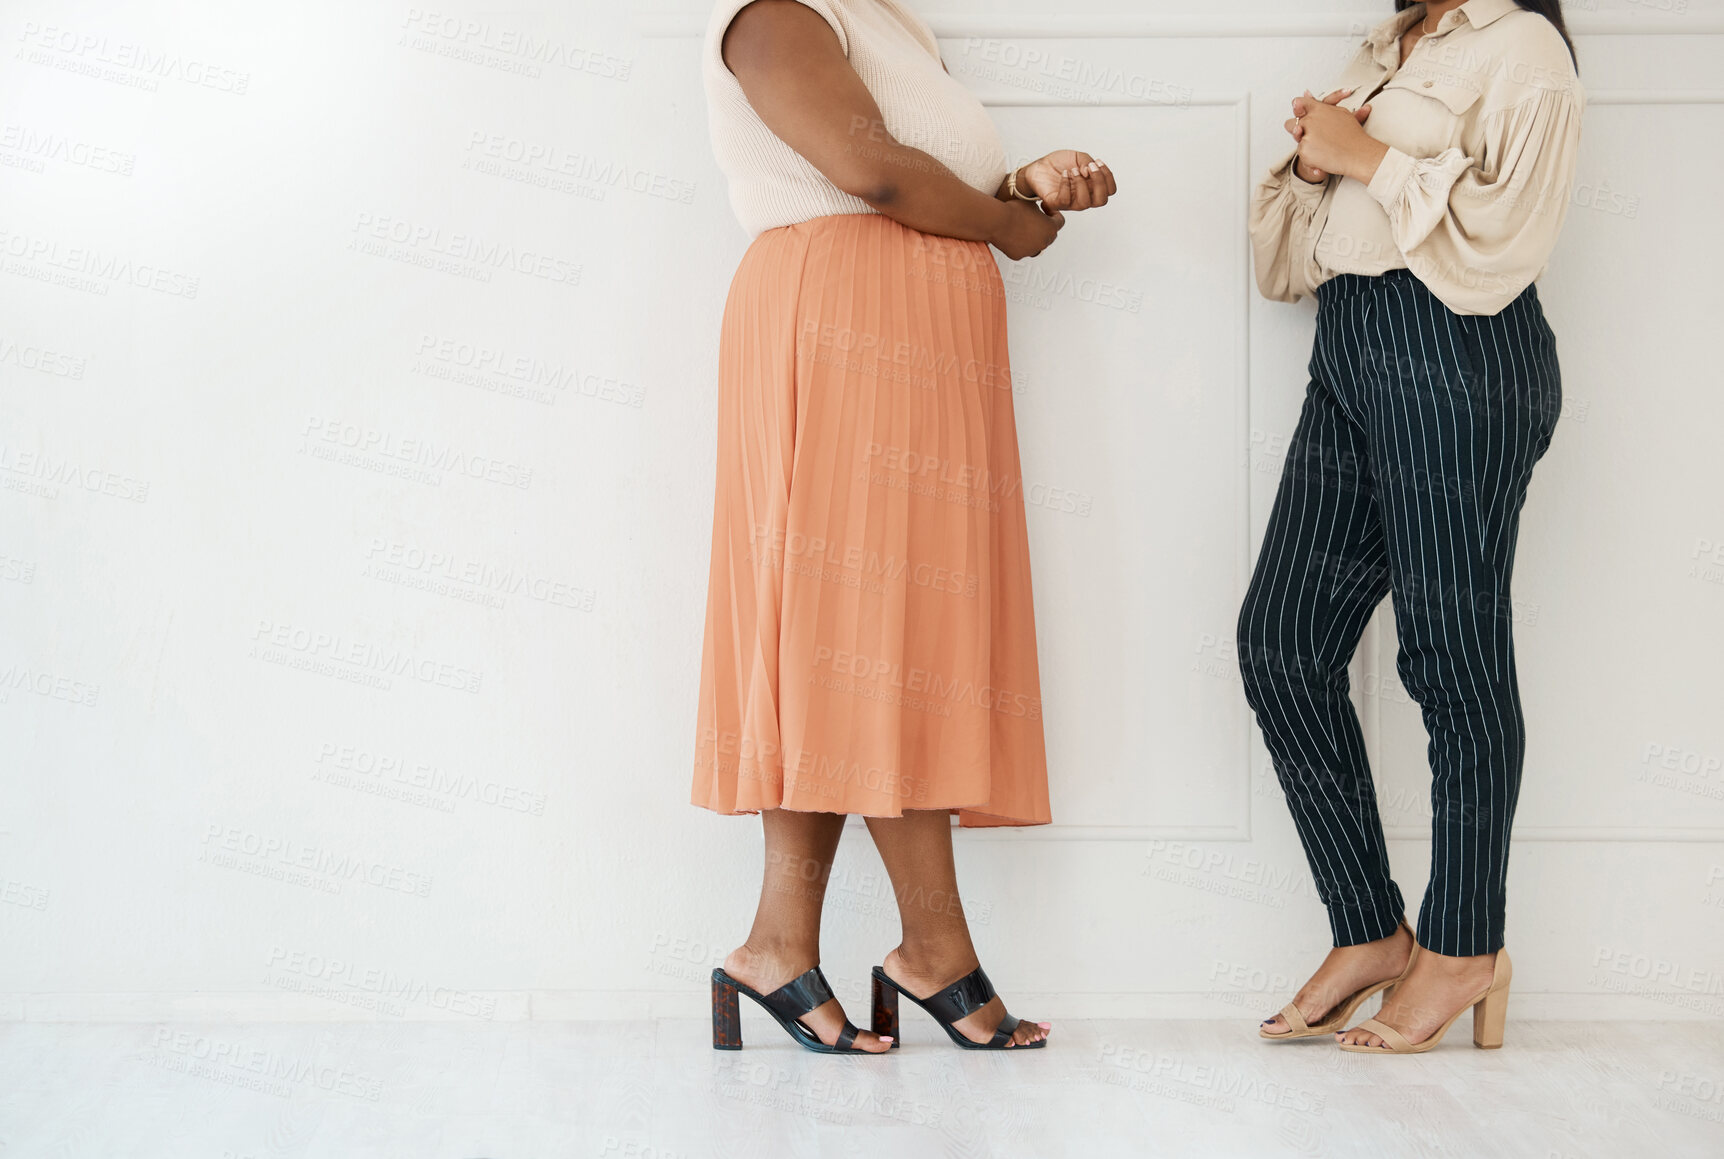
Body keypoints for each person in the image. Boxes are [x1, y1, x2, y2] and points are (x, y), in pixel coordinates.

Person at [693, 0, 1117, 1052]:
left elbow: (920, 177)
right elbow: (870, 171)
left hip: (911, 344)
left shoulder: (896, 26)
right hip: (839, 329)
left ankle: (780, 946)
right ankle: (926, 950)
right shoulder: (774, 14)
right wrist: (1012, 225)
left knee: (876, 646)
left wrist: (1016, 184)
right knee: (856, 639)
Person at [1241, 0, 1583, 1053]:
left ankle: (1465, 945)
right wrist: (1312, 166)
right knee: (1280, 644)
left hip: (1456, 352)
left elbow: (1506, 236)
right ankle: (1370, 932)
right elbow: (1279, 270)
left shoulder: (1523, 47)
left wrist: (1366, 153)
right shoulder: (1391, 45)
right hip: (1348, 341)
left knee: (1449, 657)